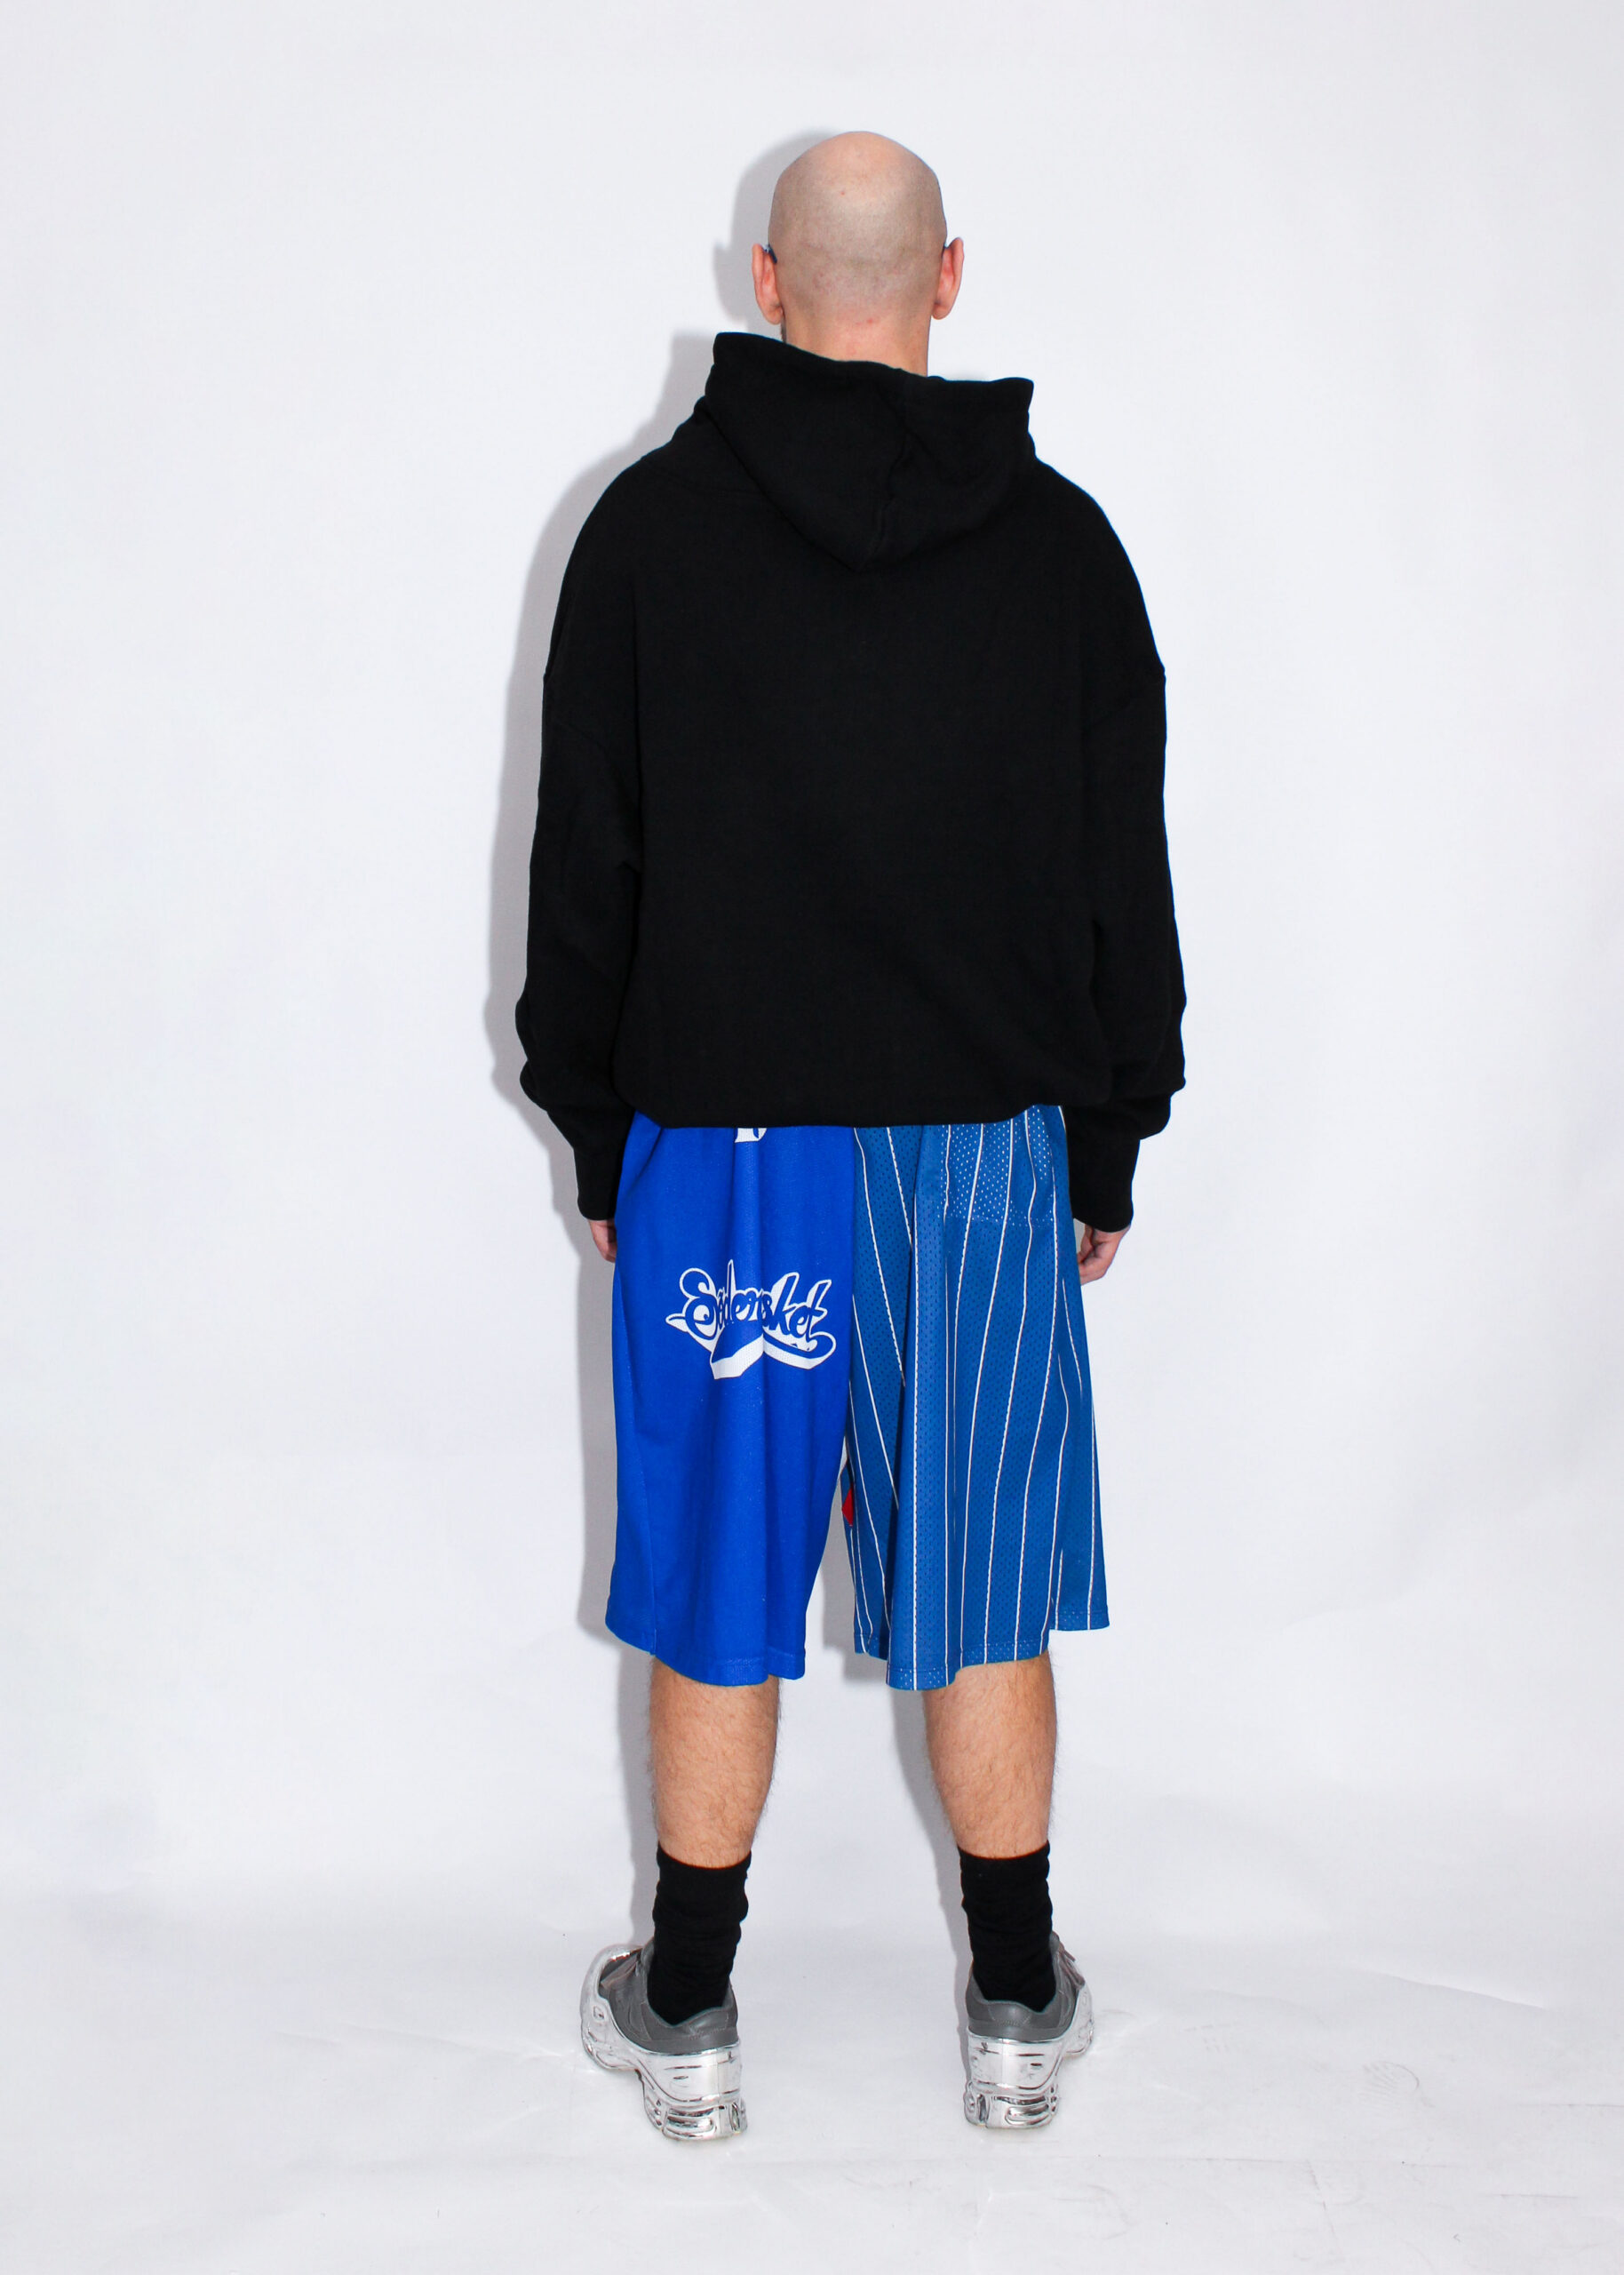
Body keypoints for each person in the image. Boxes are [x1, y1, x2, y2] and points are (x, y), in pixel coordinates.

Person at [517, 131, 1183, 2141]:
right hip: (976, 1151)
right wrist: (1104, 1137)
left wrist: (602, 1133)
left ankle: (688, 2006)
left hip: (727, 1149)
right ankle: (1014, 2000)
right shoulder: (1063, 550)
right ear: (946, 279)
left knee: (721, 1580)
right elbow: (1123, 878)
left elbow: (585, 870)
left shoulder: (646, 532)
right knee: (978, 1589)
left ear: (768, 280)